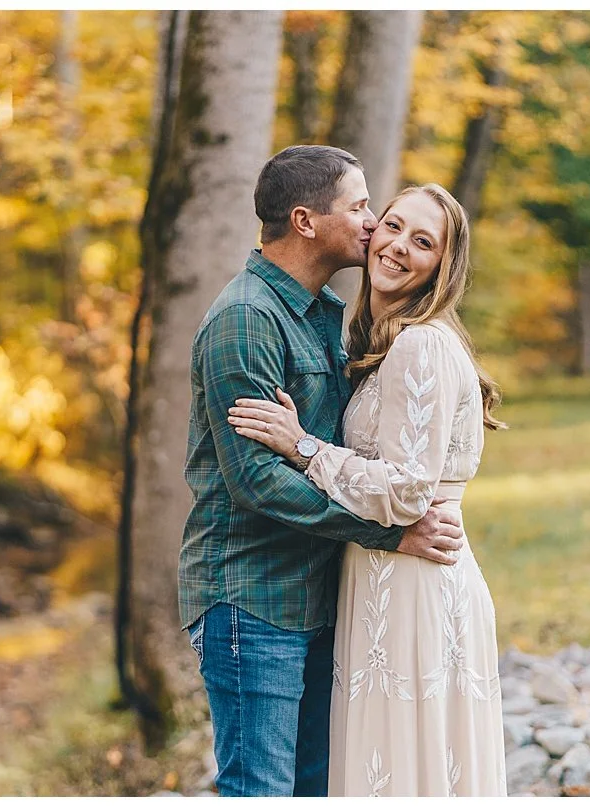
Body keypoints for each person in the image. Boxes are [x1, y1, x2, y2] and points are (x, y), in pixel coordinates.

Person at [178, 146, 467, 798]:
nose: (373, 222)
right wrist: (390, 534)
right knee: (261, 789)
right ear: (306, 221)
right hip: (254, 599)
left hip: (316, 594)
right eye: (360, 206)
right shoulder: (247, 319)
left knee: (315, 788)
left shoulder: (325, 317)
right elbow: (255, 480)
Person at [228, 182, 509, 796]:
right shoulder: (380, 345)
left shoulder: (421, 345)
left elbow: (409, 492)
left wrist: (302, 447)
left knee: (400, 771)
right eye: (393, 225)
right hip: (387, 576)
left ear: (443, 267)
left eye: (424, 241)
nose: (399, 246)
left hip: (411, 586)